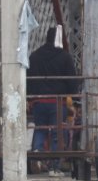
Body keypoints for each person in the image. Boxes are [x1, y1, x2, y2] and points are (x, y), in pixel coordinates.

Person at [27, 25, 80, 154]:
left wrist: (29, 98)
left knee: (40, 128)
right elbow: (71, 80)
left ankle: (37, 153)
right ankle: (54, 166)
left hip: (38, 102)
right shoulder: (65, 57)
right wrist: (75, 100)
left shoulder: (34, 56)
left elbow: (28, 78)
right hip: (57, 102)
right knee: (57, 132)